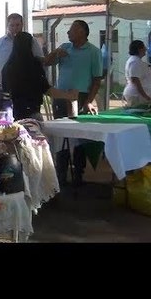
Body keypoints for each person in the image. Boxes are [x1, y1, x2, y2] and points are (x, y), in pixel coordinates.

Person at [44, 19, 103, 186]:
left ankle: (78, 172)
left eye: (72, 30)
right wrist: (55, 53)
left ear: (83, 32)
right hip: (62, 96)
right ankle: (61, 172)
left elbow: (97, 80)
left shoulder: (93, 52)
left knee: (79, 136)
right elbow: (45, 62)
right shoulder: (64, 48)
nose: (69, 33)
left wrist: (89, 101)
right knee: (60, 134)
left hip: (81, 97)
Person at [1, 32, 78, 120]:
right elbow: (46, 89)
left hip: (13, 114)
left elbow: (5, 90)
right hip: (32, 112)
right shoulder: (33, 65)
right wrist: (68, 95)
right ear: (30, 45)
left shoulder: (7, 67)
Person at [0, 13, 44, 90]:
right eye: (12, 25)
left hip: (28, 86)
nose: (15, 28)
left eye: (17, 25)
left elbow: (40, 61)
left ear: (22, 25)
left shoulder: (31, 41)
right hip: (6, 86)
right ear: (7, 26)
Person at [123, 40, 151, 107]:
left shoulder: (137, 61)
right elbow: (135, 80)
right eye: (144, 47)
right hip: (137, 96)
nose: (145, 49)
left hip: (140, 96)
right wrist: (145, 96)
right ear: (139, 49)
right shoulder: (134, 62)